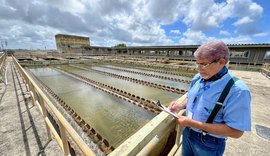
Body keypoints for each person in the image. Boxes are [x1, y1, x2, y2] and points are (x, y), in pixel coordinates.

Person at [169, 40, 251, 156]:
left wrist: (192, 123)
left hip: (209, 143)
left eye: (203, 64)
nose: (198, 68)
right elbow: (191, 97)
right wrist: (180, 105)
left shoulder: (237, 90)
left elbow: (236, 131)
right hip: (187, 133)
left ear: (221, 62)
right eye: (197, 63)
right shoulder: (198, 78)